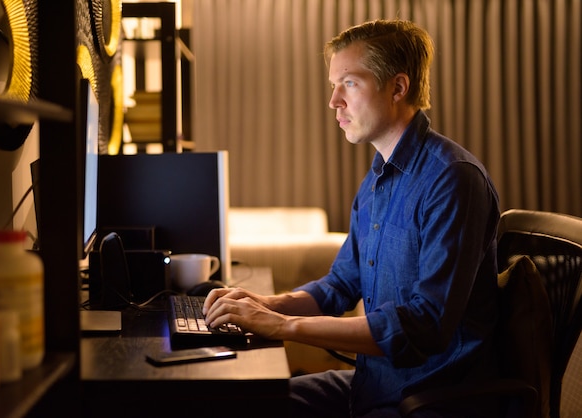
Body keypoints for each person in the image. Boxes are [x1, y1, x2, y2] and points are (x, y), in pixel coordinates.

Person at [203, 19, 500, 417]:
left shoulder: (453, 179)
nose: (334, 102)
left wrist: (282, 327)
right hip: (373, 385)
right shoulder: (377, 178)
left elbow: (424, 325)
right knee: (244, 402)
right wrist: (266, 305)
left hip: (427, 399)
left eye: (349, 83)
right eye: (333, 85)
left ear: (397, 87)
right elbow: (342, 284)